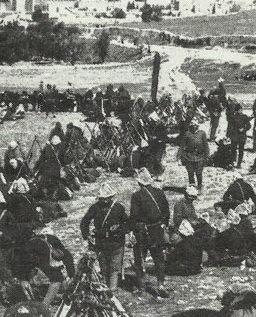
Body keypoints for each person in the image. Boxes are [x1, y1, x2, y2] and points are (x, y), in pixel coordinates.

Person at [128, 168, 171, 298]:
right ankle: (161, 284)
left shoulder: (136, 196)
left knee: (139, 258)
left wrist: (132, 231)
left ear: (139, 182)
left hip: (143, 231)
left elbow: (134, 216)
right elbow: (166, 212)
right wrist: (163, 225)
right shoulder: (159, 192)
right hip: (157, 229)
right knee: (159, 258)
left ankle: (141, 285)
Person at [79, 184, 128, 291]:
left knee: (114, 267)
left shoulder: (118, 208)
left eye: (107, 198)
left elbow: (127, 224)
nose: (105, 201)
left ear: (111, 197)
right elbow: (84, 222)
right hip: (101, 242)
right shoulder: (95, 207)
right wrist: (87, 236)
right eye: (103, 199)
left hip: (116, 241)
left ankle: (112, 289)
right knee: (104, 266)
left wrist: (119, 228)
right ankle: (106, 287)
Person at [179, 120, 210, 192]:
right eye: (192, 125)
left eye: (195, 125)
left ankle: (199, 186)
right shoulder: (187, 134)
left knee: (199, 173)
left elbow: (205, 145)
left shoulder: (202, 133)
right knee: (190, 173)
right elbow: (182, 146)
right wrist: (181, 156)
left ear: (197, 126)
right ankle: (192, 188)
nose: (193, 127)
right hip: (189, 157)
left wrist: (207, 155)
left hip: (200, 156)